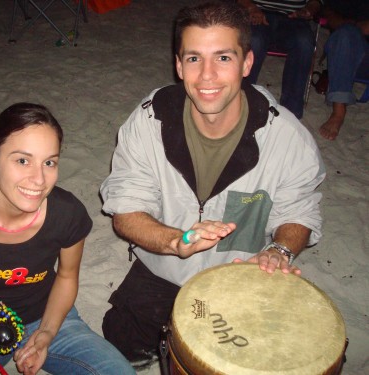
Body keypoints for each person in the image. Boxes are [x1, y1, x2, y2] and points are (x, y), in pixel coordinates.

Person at [99, 0, 325, 365]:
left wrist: (279, 251)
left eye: (223, 57)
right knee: (123, 345)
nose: (206, 76)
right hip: (164, 263)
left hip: (239, 273)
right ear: (178, 64)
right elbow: (127, 210)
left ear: (247, 63)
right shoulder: (149, 121)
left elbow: (300, 209)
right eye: (193, 58)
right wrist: (177, 241)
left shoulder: (286, 137)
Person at [0, 103, 135, 375]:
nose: (39, 179)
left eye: (49, 162)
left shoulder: (67, 213)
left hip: (47, 316)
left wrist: (47, 333)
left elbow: (66, 277)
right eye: (22, 160)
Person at [237, 0, 323, 119]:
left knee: (304, 43)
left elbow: (316, 2)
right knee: (255, 41)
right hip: (258, 12)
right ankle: (241, 100)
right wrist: (251, 7)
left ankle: (291, 112)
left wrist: (309, 9)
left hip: (294, 17)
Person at [318, 0, 369, 140]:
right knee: (344, 35)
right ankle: (338, 111)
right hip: (351, 48)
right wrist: (356, 26)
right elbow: (328, 13)